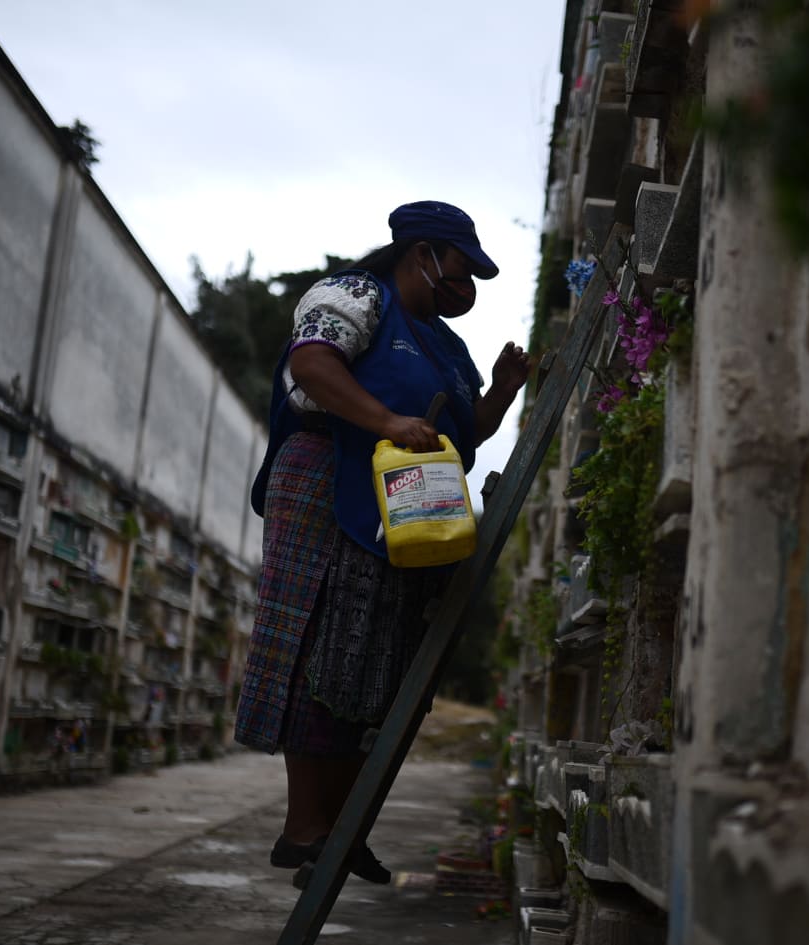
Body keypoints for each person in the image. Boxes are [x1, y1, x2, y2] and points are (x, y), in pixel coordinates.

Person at [234, 200, 531, 884]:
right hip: (325, 477)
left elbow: (459, 435)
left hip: (405, 507)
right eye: (461, 269)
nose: (468, 288)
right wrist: (387, 420)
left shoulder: (449, 349)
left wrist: (504, 393)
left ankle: (341, 826)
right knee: (319, 640)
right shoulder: (355, 294)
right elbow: (311, 365)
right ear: (420, 252)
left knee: (373, 660)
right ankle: (304, 826)